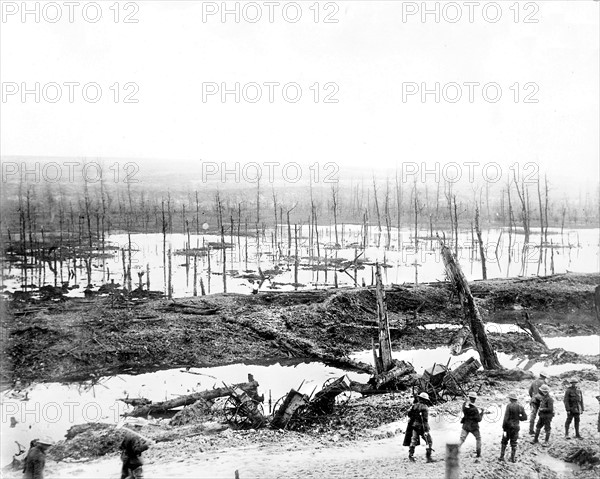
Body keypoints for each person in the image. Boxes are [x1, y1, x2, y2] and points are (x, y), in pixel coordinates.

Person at [404, 392, 434, 463]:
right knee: (429, 441)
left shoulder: (414, 406)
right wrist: (426, 429)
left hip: (414, 426)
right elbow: (425, 420)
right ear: (425, 400)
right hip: (422, 427)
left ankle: (411, 456)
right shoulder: (425, 408)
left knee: (413, 440)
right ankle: (428, 457)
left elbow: (409, 414)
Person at [499, 391, 527, 463]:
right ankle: (512, 458)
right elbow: (525, 417)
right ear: (516, 399)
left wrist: (504, 428)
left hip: (508, 427)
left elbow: (506, 418)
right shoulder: (520, 407)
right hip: (516, 427)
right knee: (514, 443)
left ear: (510, 399)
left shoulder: (509, 406)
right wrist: (518, 418)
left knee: (504, 441)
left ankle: (501, 456)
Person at [459, 391, 483, 458]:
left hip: (466, 425)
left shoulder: (464, 405)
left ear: (469, 397)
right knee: (478, 439)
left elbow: (466, 408)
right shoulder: (474, 409)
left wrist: (467, 402)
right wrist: (482, 413)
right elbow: (479, 419)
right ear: (474, 399)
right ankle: (478, 454)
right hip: (474, 427)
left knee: (461, 439)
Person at [528, 370, 548, 434]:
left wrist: (532, 397)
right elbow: (546, 392)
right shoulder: (544, 382)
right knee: (544, 414)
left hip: (534, 400)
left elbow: (530, 391)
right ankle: (544, 428)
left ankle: (531, 430)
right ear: (544, 376)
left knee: (533, 415)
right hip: (541, 400)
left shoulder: (534, 382)